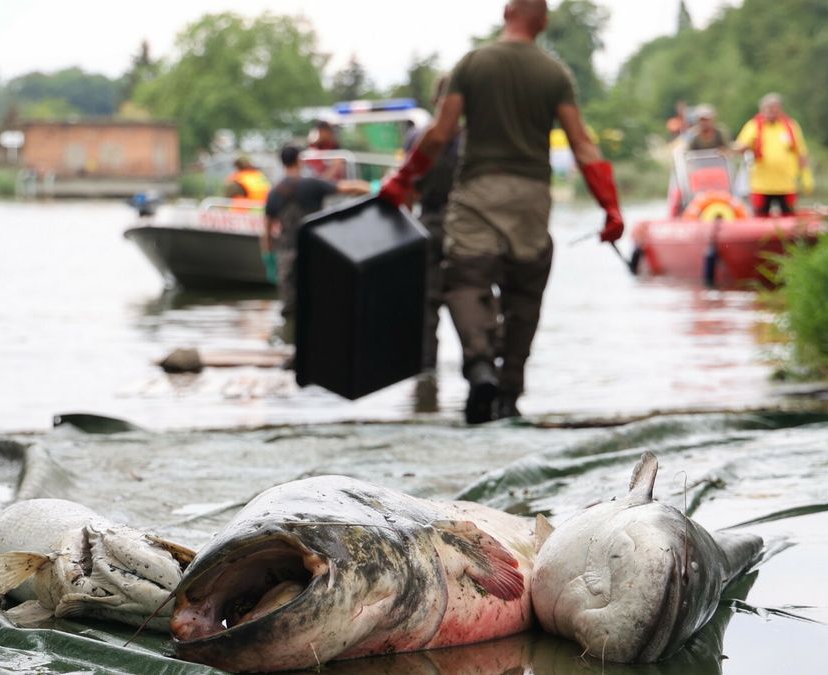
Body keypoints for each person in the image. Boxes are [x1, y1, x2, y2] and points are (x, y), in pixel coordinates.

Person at [379, 0, 623, 425]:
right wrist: (610, 207)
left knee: (465, 280)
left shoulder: (472, 64)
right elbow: (583, 146)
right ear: (542, 22)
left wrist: (401, 181)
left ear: (507, 12)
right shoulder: (554, 74)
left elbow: (440, 133)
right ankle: (509, 393)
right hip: (531, 196)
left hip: (478, 192)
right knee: (525, 293)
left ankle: (479, 368)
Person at [262, 145, 369, 326]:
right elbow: (350, 187)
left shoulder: (274, 192)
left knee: (289, 306)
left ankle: (289, 342)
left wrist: (268, 256)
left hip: (286, 253)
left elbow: (266, 231)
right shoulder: (313, 184)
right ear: (299, 160)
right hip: (313, 252)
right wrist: (374, 187)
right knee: (316, 301)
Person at [406, 76, 462, 374]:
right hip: (466, 227)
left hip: (427, 223)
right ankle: (481, 366)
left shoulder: (418, 138)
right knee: (470, 297)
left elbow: (408, 187)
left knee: (426, 304)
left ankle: (425, 372)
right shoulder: (471, 140)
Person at [733, 92, 812, 217]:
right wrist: (741, 147)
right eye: (769, 108)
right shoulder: (753, 126)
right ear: (762, 109)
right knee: (760, 218)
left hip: (787, 184)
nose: (772, 111)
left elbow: (801, 152)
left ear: (781, 109)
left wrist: (806, 176)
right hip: (761, 184)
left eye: (775, 108)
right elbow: (740, 146)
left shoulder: (790, 126)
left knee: (789, 217)